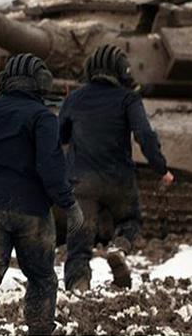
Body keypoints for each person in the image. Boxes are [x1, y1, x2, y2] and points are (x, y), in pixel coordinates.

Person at [0, 53, 84, 336]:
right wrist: (69, 203)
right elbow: (50, 166)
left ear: (4, 81)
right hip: (32, 212)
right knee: (41, 277)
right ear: (41, 83)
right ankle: (39, 331)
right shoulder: (43, 117)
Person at [59, 44, 174, 292]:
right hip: (119, 181)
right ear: (122, 70)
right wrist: (161, 169)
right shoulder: (128, 99)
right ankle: (119, 247)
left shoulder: (75, 98)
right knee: (130, 220)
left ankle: (78, 285)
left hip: (82, 183)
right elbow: (144, 134)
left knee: (79, 242)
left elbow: (60, 136)